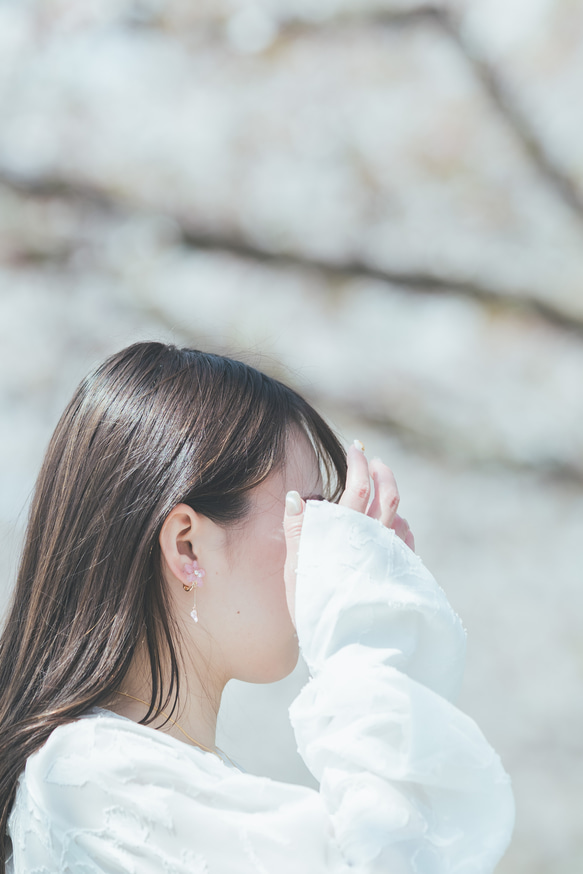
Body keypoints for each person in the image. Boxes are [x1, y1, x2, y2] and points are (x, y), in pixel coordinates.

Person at [0, 342, 514, 873]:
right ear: (187, 547)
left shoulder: (140, 779)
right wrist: (369, 628)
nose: (320, 552)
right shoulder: (89, 779)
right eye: (307, 516)